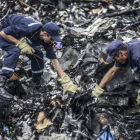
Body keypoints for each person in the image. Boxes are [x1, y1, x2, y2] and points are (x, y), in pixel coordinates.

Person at [0, 14, 79, 100]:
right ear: (45, 33)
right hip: (4, 29)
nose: (52, 41)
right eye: (52, 38)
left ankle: (35, 82)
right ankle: (1, 82)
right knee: (15, 51)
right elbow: (3, 33)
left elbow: (53, 59)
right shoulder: (29, 28)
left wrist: (64, 80)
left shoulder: (45, 39)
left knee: (38, 54)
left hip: (17, 33)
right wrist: (19, 43)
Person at [92, 39, 140, 105]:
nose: (116, 61)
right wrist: (98, 90)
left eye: (115, 59)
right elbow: (112, 71)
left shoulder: (137, 56)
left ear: (121, 54)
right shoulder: (126, 52)